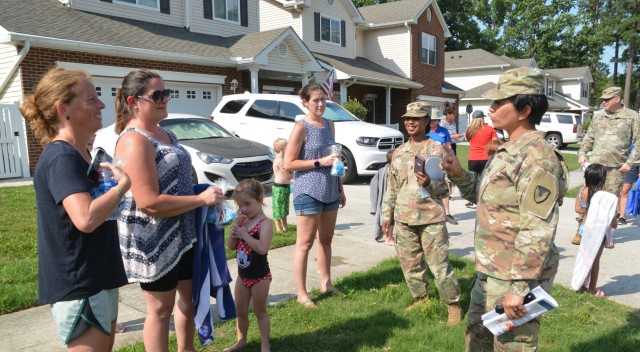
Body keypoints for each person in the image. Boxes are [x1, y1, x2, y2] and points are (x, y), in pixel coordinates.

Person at [441, 67, 569, 351]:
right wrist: (459, 173)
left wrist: (519, 289)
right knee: (477, 338)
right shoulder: (507, 149)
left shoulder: (538, 158)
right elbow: (486, 197)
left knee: (511, 345)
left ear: (524, 110)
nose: (492, 107)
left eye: (500, 102)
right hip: (489, 270)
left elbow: (538, 228)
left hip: (514, 277)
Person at [113, 69, 224, 352]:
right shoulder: (134, 140)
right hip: (153, 239)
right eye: (157, 95)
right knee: (161, 311)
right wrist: (200, 201)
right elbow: (149, 202)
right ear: (133, 101)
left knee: (187, 301)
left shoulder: (166, 132)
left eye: (167, 93)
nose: (165, 99)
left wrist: (202, 195)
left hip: (183, 232)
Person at [20, 67, 130, 350]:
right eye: (92, 99)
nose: (102, 104)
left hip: (96, 277)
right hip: (80, 284)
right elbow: (86, 218)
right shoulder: (61, 157)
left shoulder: (80, 153)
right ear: (63, 109)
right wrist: (121, 187)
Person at [381, 102, 463, 324]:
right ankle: (421, 297)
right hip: (403, 217)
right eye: (407, 118)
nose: (410, 122)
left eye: (415, 119)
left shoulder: (437, 150)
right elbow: (392, 187)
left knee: (439, 265)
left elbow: (447, 187)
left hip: (431, 218)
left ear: (427, 121)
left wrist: (430, 183)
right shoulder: (399, 153)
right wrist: (386, 215)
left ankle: (453, 304)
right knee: (410, 263)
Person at [284, 82, 347, 308]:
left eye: (323, 99)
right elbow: (288, 162)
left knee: (326, 240)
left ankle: (326, 283)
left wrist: (340, 187)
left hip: (330, 189)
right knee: (305, 243)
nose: (320, 104)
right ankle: (301, 293)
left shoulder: (329, 125)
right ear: (305, 103)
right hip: (308, 190)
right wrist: (319, 162)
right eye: (315, 100)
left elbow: (335, 158)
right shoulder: (301, 127)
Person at [225, 179, 273, 352]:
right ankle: (241, 340)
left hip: (260, 277)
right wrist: (234, 230)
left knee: (260, 311)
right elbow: (230, 246)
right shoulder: (243, 222)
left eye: (247, 204)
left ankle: (265, 343)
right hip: (243, 277)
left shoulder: (265, 224)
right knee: (241, 311)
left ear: (260, 198)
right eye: (239, 205)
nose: (243, 209)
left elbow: (262, 248)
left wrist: (245, 235)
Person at [578, 86, 640, 198]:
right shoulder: (598, 115)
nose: (603, 102)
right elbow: (589, 136)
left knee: (608, 203)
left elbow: (638, 142)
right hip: (595, 166)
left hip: (615, 169)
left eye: (607, 99)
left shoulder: (632, 116)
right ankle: (584, 216)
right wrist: (582, 153)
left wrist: (629, 163)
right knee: (589, 199)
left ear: (617, 99)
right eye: (603, 99)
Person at [572, 164, 618, 298]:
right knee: (595, 260)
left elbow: (578, 210)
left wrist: (587, 209)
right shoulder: (604, 196)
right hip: (597, 230)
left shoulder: (582, 191)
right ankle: (592, 288)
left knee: (584, 257)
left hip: (584, 228)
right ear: (602, 178)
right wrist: (613, 223)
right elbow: (610, 217)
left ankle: (579, 282)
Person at [427, 115, 458, 225]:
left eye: (434, 120)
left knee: (444, 185)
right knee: (429, 186)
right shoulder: (425, 131)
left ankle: (447, 213)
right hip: (429, 163)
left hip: (442, 161)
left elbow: (449, 146)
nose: (432, 122)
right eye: (430, 120)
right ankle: (431, 211)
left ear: (438, 121)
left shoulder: (443, 131)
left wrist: (450, 158)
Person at [464, 110, 498, 208]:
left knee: (473, 180)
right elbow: (495, 143)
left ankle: (471, 201)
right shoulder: (490, 129)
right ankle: (484, 199)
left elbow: (469, 140)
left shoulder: (469, 130)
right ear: (482, 118)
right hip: (485, 158)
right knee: (485, 180)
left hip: (473, 158)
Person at [370, 149, 395, 245]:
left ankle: (389, 236)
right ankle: (388, 238)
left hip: (388, 199)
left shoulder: (384, 170)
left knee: (389, 219)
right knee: (389, 220)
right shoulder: (390, 171)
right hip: (387, 199)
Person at [272, 138, 293, 232]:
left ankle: (285, 226)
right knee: (278, 208)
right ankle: (278, 228)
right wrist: (294, 175)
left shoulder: (283, 159)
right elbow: (287, 174)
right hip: (279, 187)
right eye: (287, 146)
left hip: (285, 186)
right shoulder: (280, 160)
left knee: (284, 208)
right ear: (281, 148)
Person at [618, 143, 639, 225]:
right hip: (618, 164)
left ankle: (622, 217)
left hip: (633, 166)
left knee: (624, 191)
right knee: (617, 190)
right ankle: (619, 211)